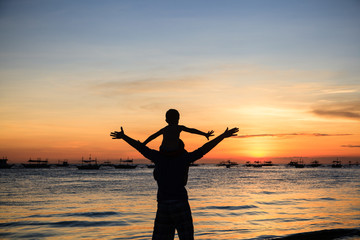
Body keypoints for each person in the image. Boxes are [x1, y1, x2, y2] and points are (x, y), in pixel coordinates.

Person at [110, 126, 239, 240]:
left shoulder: (158, 157)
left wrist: (124, 137)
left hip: (163, 206)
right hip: (180, 204)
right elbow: (204, 149)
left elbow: (140, 147)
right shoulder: (184, 158)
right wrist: (222, 136)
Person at [143, 109, 214, 152]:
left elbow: (153, 136)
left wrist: (144, 143)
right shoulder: (178, 127)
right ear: (178, 119)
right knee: (181, 145)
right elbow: (192, 130)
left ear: (166, 120)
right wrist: (205, 134)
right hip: (175, 151)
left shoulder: (164, 129)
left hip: (164, 151)